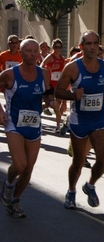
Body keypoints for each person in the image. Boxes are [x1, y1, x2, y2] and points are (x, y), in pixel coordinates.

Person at [55, 30, 104, 209]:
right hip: (78, 121)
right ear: (81, 46)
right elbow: (58, 91)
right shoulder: (73, 68)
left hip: (98, 120)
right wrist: (73, 95)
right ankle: (71, 190)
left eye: (95, 43)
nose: (92, 47)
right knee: (78, 161)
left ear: (99, 46)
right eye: (88, 44)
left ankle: (90, 186)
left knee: (103, 159)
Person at [0, 39, 57, 218]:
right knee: (19, 164)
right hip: (14, 124)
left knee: (28, 168)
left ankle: (15, 200)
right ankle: (8, 184)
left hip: (34, 125)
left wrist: (51, 102)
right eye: (29, 51)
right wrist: (0, 110)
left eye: (35, 51)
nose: (33, 54)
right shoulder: (10, 74)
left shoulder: (45, 74)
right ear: (21, 54)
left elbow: (48, 94)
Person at [40, 38, 67, 133]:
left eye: (60, 47)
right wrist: (51, 68)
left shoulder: (62, 59)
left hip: (58, 85)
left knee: (57, 106)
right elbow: (41, 67)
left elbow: (63, 73)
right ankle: (37, 113)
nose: (58, 49)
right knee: (51, 104)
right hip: (49, 85)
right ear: (52, 47)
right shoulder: (50, 57)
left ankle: (58, 126)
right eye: (56, 47)